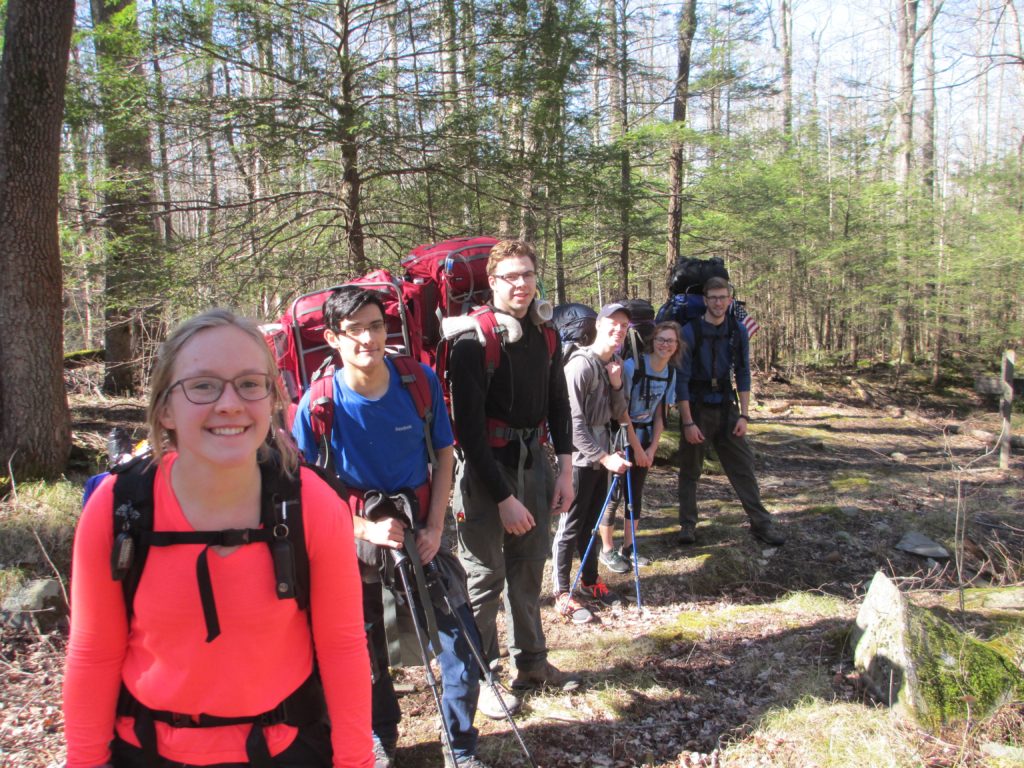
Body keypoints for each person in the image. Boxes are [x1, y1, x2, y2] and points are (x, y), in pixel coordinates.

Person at [63, 309, 372, 768]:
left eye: (249, 383)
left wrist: (356, 762)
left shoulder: (312, 504)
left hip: (285, 750)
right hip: (145, 750)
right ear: (164, 409)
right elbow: (94, 654)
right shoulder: (118, 506)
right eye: (203, 385)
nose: (230, 404)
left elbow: (342, 648)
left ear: (272, 400)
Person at [291, 287, 487, 768]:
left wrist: (435, 527)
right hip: (354, 544)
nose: (368, 339)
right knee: (365, 651)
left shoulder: (416, 382)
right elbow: (301, 489)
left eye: (376, 326)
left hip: (421, 530)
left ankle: (460, 747)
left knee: (461, 641)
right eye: (355, 329)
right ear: (333, 338)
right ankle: (380, 733)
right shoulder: (318, 404)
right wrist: (363, 529)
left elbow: (444, 454)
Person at [448, 239, 578, 711]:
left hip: (534, 464)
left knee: (529, 567)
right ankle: (483, 678)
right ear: (492, 281)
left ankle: (533, 664)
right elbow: (468, 432)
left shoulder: (547, 335)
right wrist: (503, 498)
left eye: (527, 274)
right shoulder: (472, 342)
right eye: (510, 276)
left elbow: (558, 404)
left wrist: (565, 470)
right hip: (485, 473)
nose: (520, 284)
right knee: (485, 577)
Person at [676, 277, 785, 547]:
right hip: (697, 408)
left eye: (722, 297)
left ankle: (761, 524)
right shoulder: (689, 331)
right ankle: (687, 525)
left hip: (727, 408)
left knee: (743, 467)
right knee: (690, 470)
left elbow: (743, 373)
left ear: (730, 300)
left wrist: (745, 415)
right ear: (705, 300)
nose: (718, 302)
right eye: (713, 297)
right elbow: (681, 380)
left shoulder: (737, 330)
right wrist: (687, 422)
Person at [551, 302, 635, 622]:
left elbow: (619, 413)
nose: (619, 330)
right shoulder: (580, 366)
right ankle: (561, 592)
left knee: (591, 523)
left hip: (602, 458)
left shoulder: (611, 365)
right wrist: (603, 456)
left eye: (624, 326)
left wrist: (616, 385)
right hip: (579, 460)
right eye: (613, 323)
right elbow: (572, 425)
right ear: (598, 325)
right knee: (571, 526)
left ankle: (589, 581)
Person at [598, 320, 681, 570]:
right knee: (614, 493)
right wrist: (636, 448)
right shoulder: (633, 367)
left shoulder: (671, 373)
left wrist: (652, 448)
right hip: (620, 434)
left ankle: (629, 547)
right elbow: (621, 410)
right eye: (661, 339)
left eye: (670, 341)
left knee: (636, 493)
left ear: (677, 345)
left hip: (645, 436)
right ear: (652, 341)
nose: (665, 345)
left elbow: (661, 415)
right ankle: (607, 549)